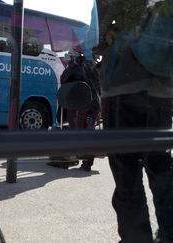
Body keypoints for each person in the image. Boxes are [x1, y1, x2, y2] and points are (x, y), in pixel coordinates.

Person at [99, 0, 173, 242]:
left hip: (124, 85)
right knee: (161, 167)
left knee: (126, 172)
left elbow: (98, 36)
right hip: (163, 89)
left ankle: (136, 238)